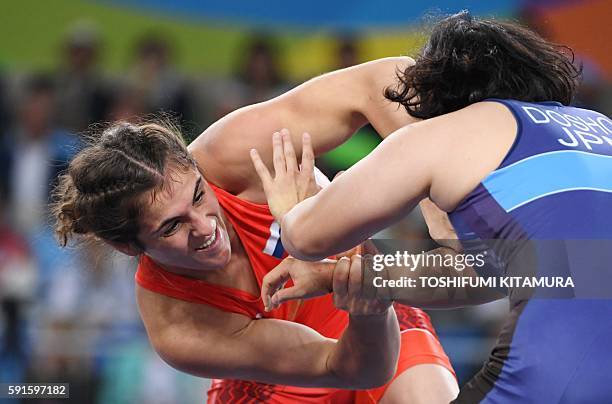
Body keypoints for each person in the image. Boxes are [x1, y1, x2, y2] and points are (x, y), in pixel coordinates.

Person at [253, 11, 612, 403]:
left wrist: (290, 209)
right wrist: (346, 276)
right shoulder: (598, 126)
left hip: (560, 373)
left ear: (433, 91)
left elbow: (307, 237)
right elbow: (484, 278)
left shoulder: (450, 130)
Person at [52, 57, 458, 403]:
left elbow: (391, 77)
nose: (206, 228)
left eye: (197, 195)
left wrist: (439, 209)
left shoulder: (234, 152)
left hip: (366, 308)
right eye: (172, 226)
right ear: (128, 247)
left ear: (195, 167)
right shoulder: (178, 326)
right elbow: (348, 368)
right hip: (280, 378)